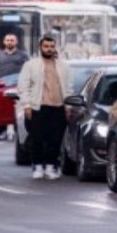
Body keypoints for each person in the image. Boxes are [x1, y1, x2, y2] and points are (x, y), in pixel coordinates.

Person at [17, 36, 74, 180]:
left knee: (55, 140)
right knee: (37, 139)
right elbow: (24, 87)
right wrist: (27, 105)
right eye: (46, 46)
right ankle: (37, 166)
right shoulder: (31, 65)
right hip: (37, 107)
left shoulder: (63, 66)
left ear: (55, 48)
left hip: (58, 107)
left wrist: (68, 106)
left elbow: (68, 87)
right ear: (40, 48)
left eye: (51, 46)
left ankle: (50, 166)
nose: (49, 49)